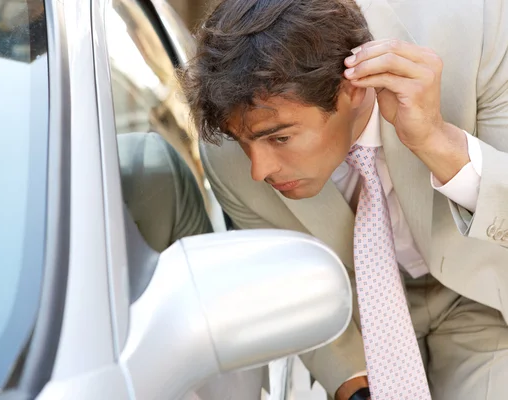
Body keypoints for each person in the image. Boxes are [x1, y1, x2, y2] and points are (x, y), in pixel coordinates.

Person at [178, 0, 508, 399]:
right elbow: (288, 285)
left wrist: (436, 141)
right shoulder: (226, 158)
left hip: (483, 299)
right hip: (355, 320)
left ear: (351, 89)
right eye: (243, 141)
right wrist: (352, 383)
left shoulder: (477, 29)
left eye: (279, 137)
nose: (258, 170)